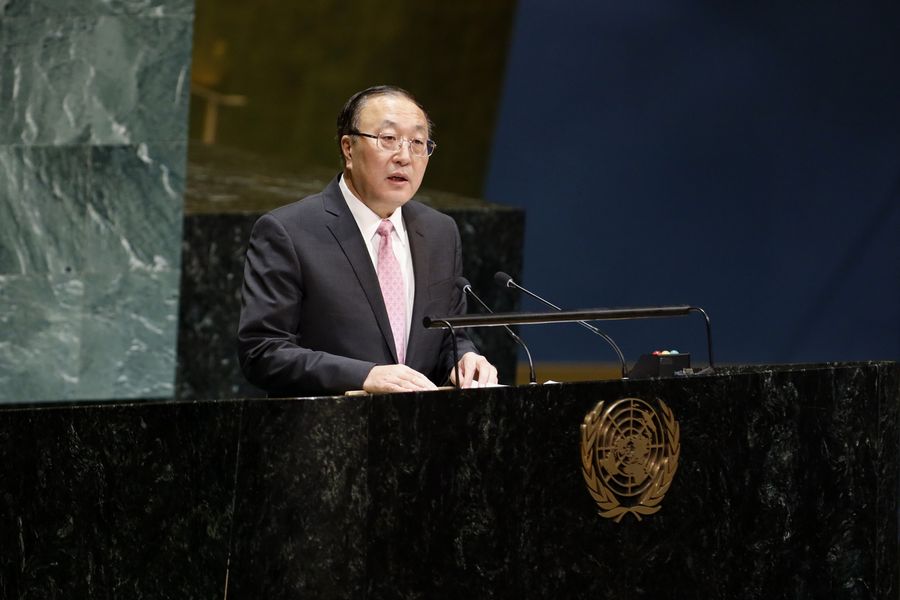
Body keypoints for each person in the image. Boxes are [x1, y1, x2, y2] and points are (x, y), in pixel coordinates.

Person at [238, 85, 498, 396]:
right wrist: (364, 375)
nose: (404, 156)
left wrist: (464, 358)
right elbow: (262, 351)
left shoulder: (440, 232)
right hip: (327, 434)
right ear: (348, 148)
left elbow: (447, 337)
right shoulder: (288, 231)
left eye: (417, 143)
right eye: (388, 139)